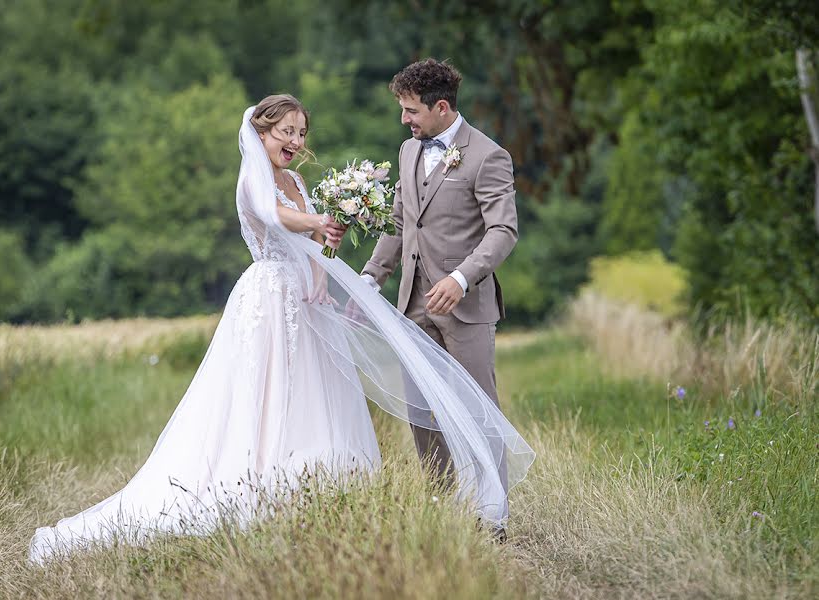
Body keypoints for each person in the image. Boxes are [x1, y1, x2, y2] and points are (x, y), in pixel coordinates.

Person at [29, 94, 534, 565]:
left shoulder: (298, 182)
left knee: (319, 396)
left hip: (307, 302)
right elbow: (272, 217)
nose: (294, 142)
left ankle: (366, 494)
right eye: (285, 133)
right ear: (261, 133)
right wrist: (317, 226)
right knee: (266, 394)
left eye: (300, 132)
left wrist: (323, 269)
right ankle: (259, 484)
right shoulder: (254, 178)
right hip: (268, 299)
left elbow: (314, 247)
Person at [359, 59, 519, 538]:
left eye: (411, 111)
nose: (405, 120)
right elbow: (401, 221)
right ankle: (440, 505)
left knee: (477, 408)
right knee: (423, 412)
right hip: (412, 305)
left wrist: (462, 278)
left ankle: (493, 515)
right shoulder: (409, 152)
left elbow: (503, 230)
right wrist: (371, 276)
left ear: (442, 107)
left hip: (466, 308)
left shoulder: (489, 157)